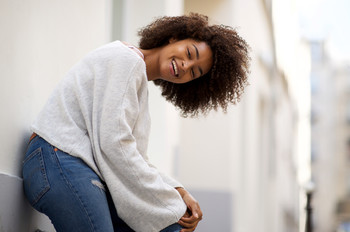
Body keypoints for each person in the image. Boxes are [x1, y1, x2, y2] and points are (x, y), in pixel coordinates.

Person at [22, 13, 250, 232]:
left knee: (169, 225)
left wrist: (178, 190)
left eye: (194, 72)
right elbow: (115, 146)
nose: (185, 66)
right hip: (56, 159)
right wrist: (171, 205)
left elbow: (135, 156)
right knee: (169, 221)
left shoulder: (137, 79)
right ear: (174, 38)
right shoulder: (127, 60)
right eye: (189, 53)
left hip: (65, 165)